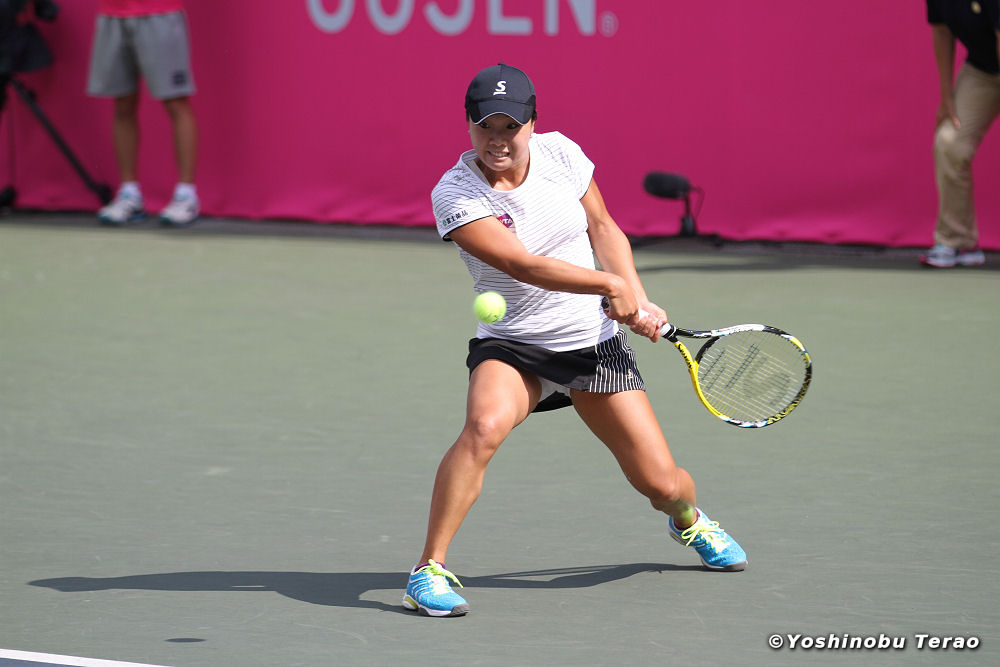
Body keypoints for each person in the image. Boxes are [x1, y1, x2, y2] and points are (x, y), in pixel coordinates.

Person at [402, 63, 747, 618]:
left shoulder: (561, 154)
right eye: (485, 126)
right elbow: (522, 265)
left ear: (532, 123)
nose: (497, 139)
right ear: (467, 125)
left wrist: (636, 296)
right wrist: (610, 286)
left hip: (592, 344)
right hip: (514, 347)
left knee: (662, 484)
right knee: (484, 427)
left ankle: (689, 520)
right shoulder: (455, 193)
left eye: (510, 127)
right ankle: (428, 571)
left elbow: (603, 227)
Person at [86, 0, 199, 227]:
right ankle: (130, 195)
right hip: (112, 14)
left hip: (159, 12)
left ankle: (186, 196)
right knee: (122, 103)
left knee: (176, 102)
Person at [920, 0, 1000, 268]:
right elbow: (942, 31)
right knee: (950, 143)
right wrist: (947, 97)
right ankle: (958, 241)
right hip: (982, 73)